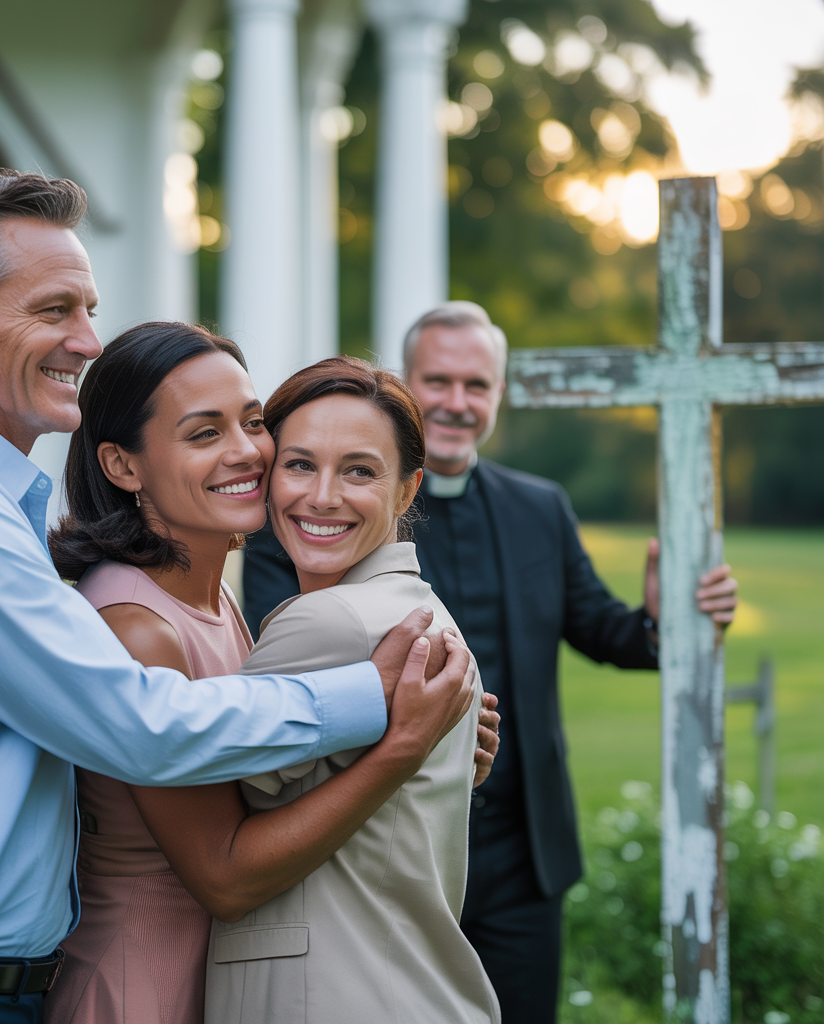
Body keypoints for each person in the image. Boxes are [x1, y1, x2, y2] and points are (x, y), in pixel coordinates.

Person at [0, 172, 470, 1024]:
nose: (87, 340)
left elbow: (36, 727)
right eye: (55, 310)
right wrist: (380, 709)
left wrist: (437, 733)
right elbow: (142, 727)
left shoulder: (3, 510)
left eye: (254, 422)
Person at [242, 302, 740, 1024]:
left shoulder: (541, 506)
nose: (455, 402)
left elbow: (601, 630)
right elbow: (284, 652)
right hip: (378, 845)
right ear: (407, 388)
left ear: (498, 395)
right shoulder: (325, 512)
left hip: (519, 852)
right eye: (437, 381)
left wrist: (666, 624)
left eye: (476, 385)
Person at [39, 323, 489, 1023]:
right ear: (124, 467)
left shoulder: (214, 596)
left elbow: (273, 755)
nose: (245, 451)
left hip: (229, 973)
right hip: (146, 982)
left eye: (251, 423)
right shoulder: (138, 625)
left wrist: (441, 747)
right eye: (204, 433)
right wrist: (399, 751)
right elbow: (223, 866)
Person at [204, 356, 500, 1024]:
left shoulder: (328, 621)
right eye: (300, 464)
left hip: (333, 994)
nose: (323, 496)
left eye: (359, 470)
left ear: (406, 489)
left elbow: (200, 781)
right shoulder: (416, 608)